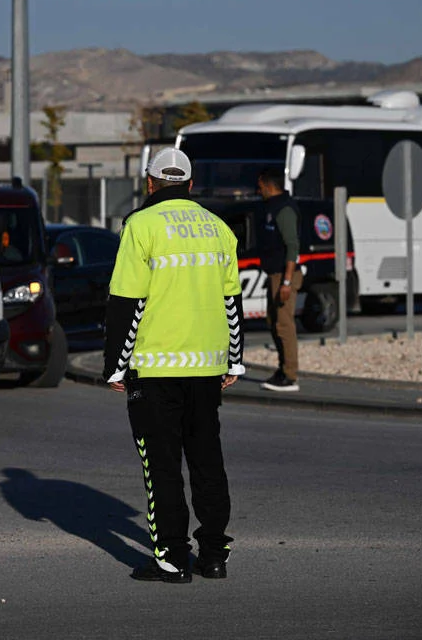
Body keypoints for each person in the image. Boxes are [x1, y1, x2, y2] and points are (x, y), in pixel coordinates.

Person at [102, 148, 245, 583]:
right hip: (205, 366)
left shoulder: (140, 226)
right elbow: (231, 300)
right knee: (207, 460)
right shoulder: (219, 228)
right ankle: (215, 555)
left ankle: (171, 558)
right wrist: (234, 360)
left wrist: (116, 366)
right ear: (190, 183)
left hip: (155, 366)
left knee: (161, 466)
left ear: (150, 183)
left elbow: (128, 301)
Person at [256, 167, 301, 392]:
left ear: (268, 184)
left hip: (284, 275)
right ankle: (282, 368)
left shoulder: (284, 209)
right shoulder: (271, 208)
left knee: (284, 325)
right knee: (272, 322)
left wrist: (286, 282)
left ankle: (290, 375)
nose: (258, 190)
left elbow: (292, 246)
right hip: (274, 274)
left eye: (260, 186)